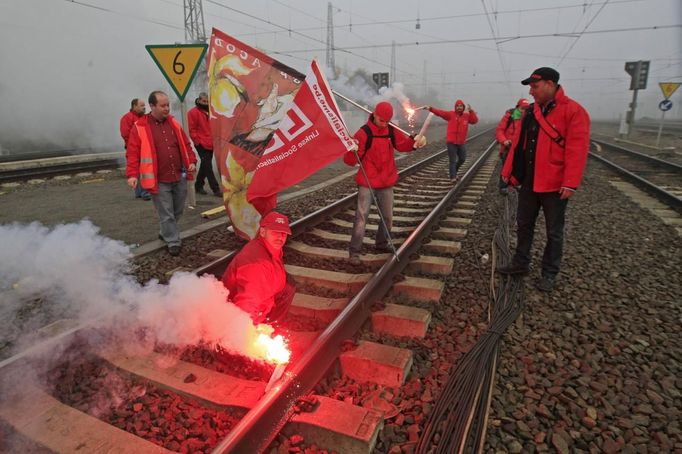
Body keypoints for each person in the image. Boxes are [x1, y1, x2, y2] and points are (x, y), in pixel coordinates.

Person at [498, 67, 590, 292]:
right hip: (530, 182)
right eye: (530, 87)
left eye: (534, 86)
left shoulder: (574, 111)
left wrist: (570, 182)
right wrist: (510, 173)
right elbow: (519, 144)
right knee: (524, 225)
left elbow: (577, 149)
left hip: (555, 185)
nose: (531, 91)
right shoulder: (530, 112)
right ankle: (521, 263)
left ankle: (549, 273)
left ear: (550, 84)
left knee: (554, 231)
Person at [343, 101, 426, 265]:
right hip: (367, 181)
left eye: (387, 121)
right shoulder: (363, 133)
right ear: (374, 114)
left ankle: (381, 244)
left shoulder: (391, 130)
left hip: (386, 180)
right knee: (361, 218)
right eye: (381, 120)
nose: (384, 124)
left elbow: (403, 145)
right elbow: (350, 160)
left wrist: (415, 143)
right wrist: (351, 150)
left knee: (387, 217)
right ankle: (354, 252)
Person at [125, 91, 197, 256]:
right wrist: (132, 175)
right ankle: (173, 241)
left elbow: (186, 144)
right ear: (152, 106)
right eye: (163, 106)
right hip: (159, 180)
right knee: (166, 213)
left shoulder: (174, 123)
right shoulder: (140, 127)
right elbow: (133, 153)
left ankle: (166, 231)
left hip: (178, 175)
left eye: (168, 105)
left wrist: (192, 161)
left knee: (177, 210)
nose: (167, 109)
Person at [222, 211, 296, 324]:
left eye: (283, 233)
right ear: (262, 232)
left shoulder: (268, 246)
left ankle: (270, 325)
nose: (280, 237)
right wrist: (246, 331)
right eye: (275, 232)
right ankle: (265, 327)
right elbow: (247, 302)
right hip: (234, 315)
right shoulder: (255, 264)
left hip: (262, 298)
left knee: (288, 285)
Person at [427, 100, 478, 181]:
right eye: (457, 106)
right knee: (452, 160)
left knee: (462, 159)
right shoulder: (450, 115)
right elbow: (440, 112)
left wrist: (471, 111)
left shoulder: (466, 116)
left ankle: (454, 171)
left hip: (461, 142)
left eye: (461, 106)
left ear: (463, 107)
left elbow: (474, 121)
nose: (459, 107)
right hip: (451, 142)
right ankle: (453, 177)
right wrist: (431, 108)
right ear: (455, 107)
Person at [187, 92, 221, 197]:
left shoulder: (211, 111)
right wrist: (197, 142)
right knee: (208, 166)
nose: (205, 103)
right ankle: (215, 189)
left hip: (211, 142)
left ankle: (198, 185)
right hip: (201, 143)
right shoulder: (192, 112)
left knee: (205, 164)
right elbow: (192, 129)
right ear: (199, 100)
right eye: (203, 101)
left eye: (207, 101)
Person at [495, 98, 529, 194]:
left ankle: (515, 183)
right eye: (522, 109)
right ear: (517, 107)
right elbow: (499, 130)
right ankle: (503, 186)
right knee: (506, 167)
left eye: (526, 109)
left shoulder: (527, 119)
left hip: (520, 148)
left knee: (519, 166)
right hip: (507, 147)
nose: (523, 112)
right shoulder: (509, 116)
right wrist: (504, 140)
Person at [120, 98, 151, 201]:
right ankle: (144, 192)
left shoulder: (144, 118)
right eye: (141, 105)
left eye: (144, 105)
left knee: (141, 169)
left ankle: (140, 193)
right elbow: (126, 135)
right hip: (134, 147)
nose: (144, 107)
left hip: (143, 147)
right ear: (134, 106)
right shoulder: (127, 118)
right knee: (141, 170)